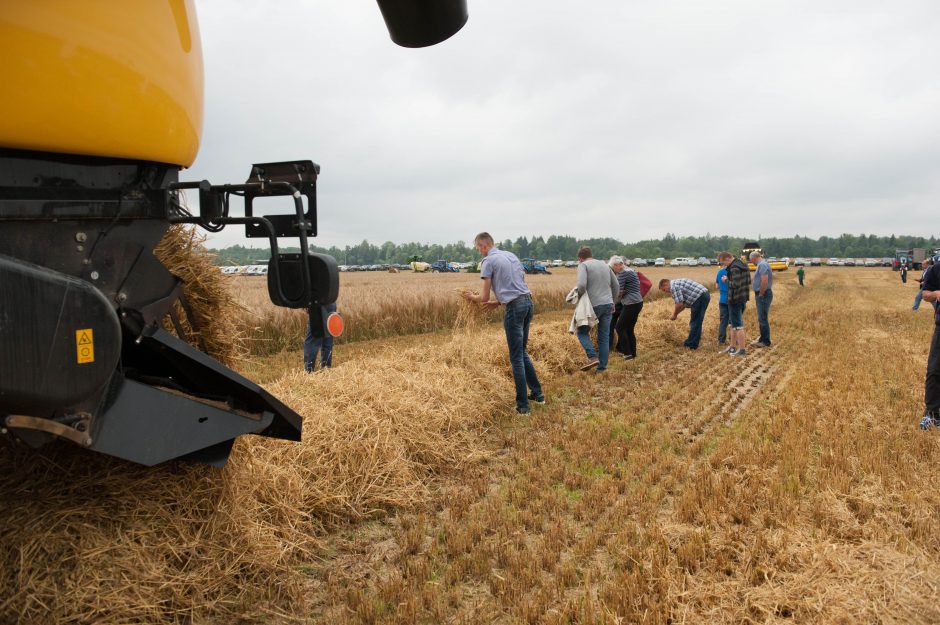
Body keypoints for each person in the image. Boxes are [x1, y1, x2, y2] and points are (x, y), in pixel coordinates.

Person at [463, 232, 543, 414]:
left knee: (516, 357)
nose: (479, 252)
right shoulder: (511, 255)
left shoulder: (488, 262)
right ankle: (538, 395)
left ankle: (523, 406)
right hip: (528, 303)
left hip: (515, 309)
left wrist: (470, 297)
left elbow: (483, 297)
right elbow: (518, 285)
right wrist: (498, 302)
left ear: (484, 246)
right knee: (522, 352)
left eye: (478, 248)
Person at [573, 246, 619, 371]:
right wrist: (613, 302)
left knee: (581, 331)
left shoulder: (583, 266)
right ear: (591, 254)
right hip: (608, 304)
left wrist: (580, 297)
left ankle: (593, 357)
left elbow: (581, 285)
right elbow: (616, 285)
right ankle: (602, 368)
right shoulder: (605, 265)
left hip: (593, 306)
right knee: (604, 336)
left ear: (580, 258)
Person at [659, 277, 710, 350]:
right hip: (703, 296)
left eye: (664, 289)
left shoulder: (673, 287)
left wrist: (674, 315)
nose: (666, 292)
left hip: (699, 298)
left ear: (665, 284)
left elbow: (679, 304)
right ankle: (693, 342)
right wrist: (676, 315)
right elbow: (682, 306)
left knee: (695, 322)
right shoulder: (676, 283)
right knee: (697, 321)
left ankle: (690, 345)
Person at [919, 256, 940, 430]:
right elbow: (925, 294)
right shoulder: (936, 269)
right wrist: (936, 294)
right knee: (934, 370)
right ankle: (932, 414)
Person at [609, 256, 643, 360]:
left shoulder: (623, 273)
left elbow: (619, 291)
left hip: (630, 303)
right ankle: (633, 354)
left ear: (617, 265)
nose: (613, 270)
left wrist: (612, 301)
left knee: (619, 327)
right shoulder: (630, 270)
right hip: (638, 302)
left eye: (613, 267)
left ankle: (627, 354)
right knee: (629, 329)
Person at [718, 251, 750, 356]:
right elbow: (748, 281)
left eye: (723, 263)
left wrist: (726, 279)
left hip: (735, 299)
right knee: (732, 324)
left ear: (728, 258)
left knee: (738, 325)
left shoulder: (734, 268)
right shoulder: (742, 264)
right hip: (742, 298)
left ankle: (742, 350)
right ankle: (732, 347)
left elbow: (735, 284)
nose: (723, 265)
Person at [304, 302, 337, 372]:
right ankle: (326, 369)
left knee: (312, 340)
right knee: (327, 337)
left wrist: (306, 304)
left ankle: (308, 371)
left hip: (317, 302)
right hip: (330, 301)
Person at [751, 251, 773, 348]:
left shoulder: (762, 265)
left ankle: (765, 341)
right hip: (763, 294)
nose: (751, 262)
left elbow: (764, 280)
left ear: (753, 258)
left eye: (751, 260)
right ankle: (762, 338)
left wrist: (761, 293)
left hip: (763, 294)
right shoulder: (762, 264)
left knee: (763, 318)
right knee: (761, 318)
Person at [715, 263, 729, 348]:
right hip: (732, 299)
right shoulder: (732, 272)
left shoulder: (720, 272)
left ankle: (721, 340)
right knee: (734, 321)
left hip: (722, 299)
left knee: (723, 321)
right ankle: (735, 340)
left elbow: (716, 286)